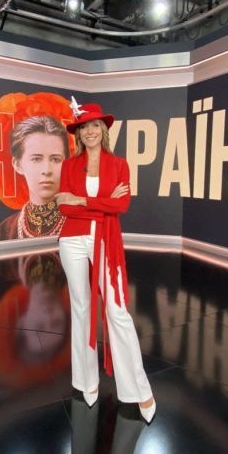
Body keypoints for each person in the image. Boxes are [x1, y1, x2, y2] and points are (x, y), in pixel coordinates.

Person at [55, 99, 156, 424]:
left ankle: (138, 389)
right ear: (79, 133)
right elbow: (64, 208)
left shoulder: (119, 164)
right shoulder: (69, 166)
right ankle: (85, 382)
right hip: (72, 240)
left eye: (95, 125)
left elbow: (122, 205)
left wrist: (82, 200)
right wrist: (101, 203)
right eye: (84, 127)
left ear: (103, 129)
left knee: (116, 310)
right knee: (81, 308)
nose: (90, 132)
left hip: (104, 239)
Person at [0, 114, 69, 241]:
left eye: (55, 159)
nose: (47, 170)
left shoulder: (87, 225)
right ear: (18, 165)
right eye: (36, 159)